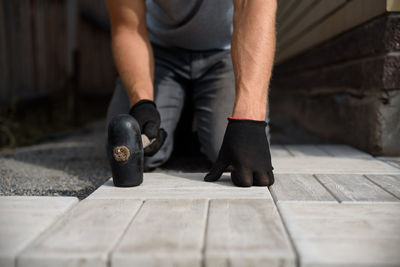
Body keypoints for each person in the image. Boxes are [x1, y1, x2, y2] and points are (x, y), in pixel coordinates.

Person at [106, 0, 276, 187]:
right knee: (133, 148)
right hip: (158, 53)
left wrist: (249, 119)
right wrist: (142, 102)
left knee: (236, 154)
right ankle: (180, 126)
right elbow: (128, 27)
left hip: (224, 53)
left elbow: (254, 7)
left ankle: (188, 121)